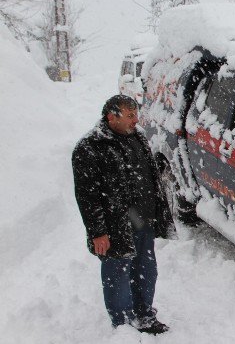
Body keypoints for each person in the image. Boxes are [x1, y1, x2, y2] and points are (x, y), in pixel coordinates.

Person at [72, 95, 174, 333]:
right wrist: (98, 232)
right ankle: (123, 324)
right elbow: (87, 197)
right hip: (114, 226)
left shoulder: (136, 137)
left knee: (145, 269)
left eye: (136, 115)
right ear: (111, 116)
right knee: (117, 274)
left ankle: (145, 314)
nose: (136, 121)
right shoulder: (90, 147)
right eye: (130, 116)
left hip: (142, 220)